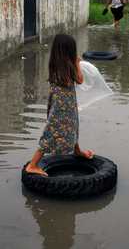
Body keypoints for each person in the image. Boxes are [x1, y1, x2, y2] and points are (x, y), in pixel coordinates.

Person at [26, 34, 94, 176]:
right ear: (69, 51)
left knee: (73, 125)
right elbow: (80, 80)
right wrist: (76, 62)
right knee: (52, 131)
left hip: (63, 104)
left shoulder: (56, 64)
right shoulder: (68, 66)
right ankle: (32, 165)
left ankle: (77, 150)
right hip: (62, 108)